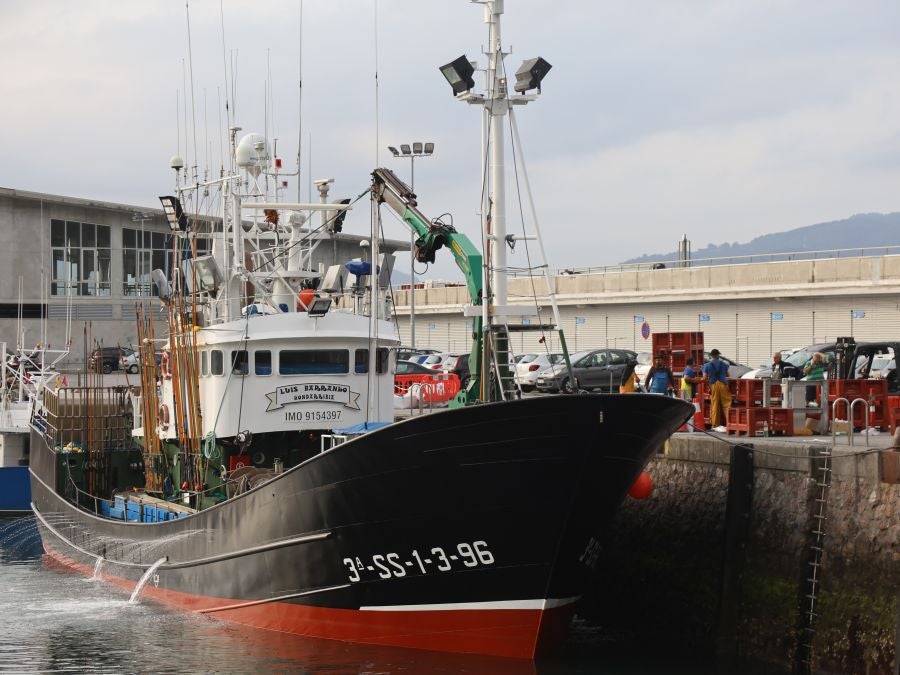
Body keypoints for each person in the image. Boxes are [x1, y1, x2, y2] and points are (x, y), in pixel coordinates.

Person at [703, 348, 731, 428]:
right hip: (723, 384)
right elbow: (728, 375)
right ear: (718, 355)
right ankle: (729, 423)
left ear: (711, 356)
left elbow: (704, 377)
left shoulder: (707, 365)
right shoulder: (724, 364)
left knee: (715, 404)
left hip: (713, 384)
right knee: (726, 404)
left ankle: (715, 424)